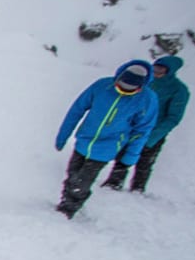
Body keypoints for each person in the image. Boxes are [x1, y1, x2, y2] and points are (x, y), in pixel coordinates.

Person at [54, 61, 159, 219]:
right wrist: (63, 135)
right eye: (121, 86)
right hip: (84, 140)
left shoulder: (147, 99)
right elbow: (77, 109)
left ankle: (68, 210)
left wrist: (131, 155)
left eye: (130, 90)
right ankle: (66, 201)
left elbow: (142, 130)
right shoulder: (102, 86)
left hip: (108, 146)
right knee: (72, 174)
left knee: (82, 181)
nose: (124, 90)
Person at [100, 55, 189, 193]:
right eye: (155, 68)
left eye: (161, 70)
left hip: (154, 132)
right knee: (124, 154)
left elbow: (173, 118)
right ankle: (114, 183)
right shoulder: (146, 82)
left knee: (145, 161)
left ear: (171, 71)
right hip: (134, 127)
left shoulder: (179, 90)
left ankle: (138, 188)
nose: (157, 72)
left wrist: (153, 137)